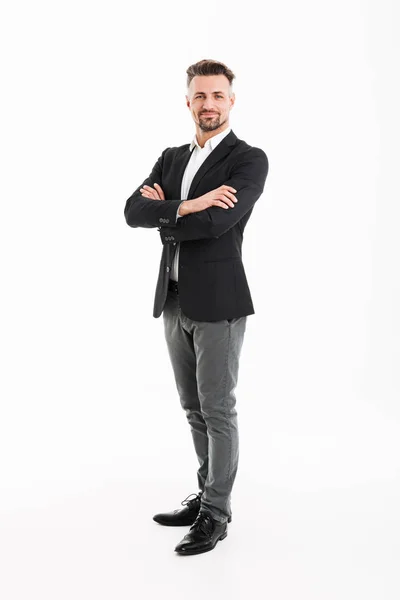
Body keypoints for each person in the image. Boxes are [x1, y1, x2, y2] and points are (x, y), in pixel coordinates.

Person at [124, 59, 269, 555]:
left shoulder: (248, 160)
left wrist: (165, 217)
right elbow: (131, 211)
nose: (209, 104)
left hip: (220, 302)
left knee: (217, 408)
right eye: (200, 96)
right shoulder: (170, 158)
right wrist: (187, 204)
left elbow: (217, 226)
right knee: (193, 408)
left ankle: (216, 513)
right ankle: (206, 495)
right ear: (188, 101)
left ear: (232, 101)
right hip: (174, 298)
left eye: (218, 96)